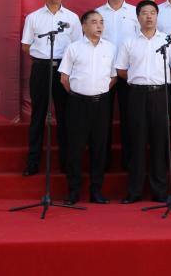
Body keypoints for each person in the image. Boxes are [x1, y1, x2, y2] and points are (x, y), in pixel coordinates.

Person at [21, 0, 80, 177]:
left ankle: (66, 162)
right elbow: (26, 46)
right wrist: (43, 57)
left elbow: (77, 47)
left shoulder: (72, 18)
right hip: (40, 69)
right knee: (38, 116)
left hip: (64, 69)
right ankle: (33, 162)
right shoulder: (33, 18)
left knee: (65, 117)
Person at [58, 11, 116, 205]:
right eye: (94, 22)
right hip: (77, 104)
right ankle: (73, 191)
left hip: (101, 103)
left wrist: (97, 90)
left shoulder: (110, 48)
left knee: (99, 147)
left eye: (101, 22)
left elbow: (113, 77)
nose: (99, 26)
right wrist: (80, 93)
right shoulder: (73, 48)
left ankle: (96, 190)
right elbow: (64, 78)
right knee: (75, 147)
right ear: (83, 26)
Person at [115, 0, 171, 204]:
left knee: (159, 142)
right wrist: (138, 79)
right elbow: (121, 70)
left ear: (157, 16)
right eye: (144, 13)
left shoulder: (166, 41)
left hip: (160, 94)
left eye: (152, 13)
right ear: (138, 17)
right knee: (136, 141)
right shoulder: (129, 42)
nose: (149, 17)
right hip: (137, 94)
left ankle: (160, 191)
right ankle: (134, 191)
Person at [96, 0, 138, 170]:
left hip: (128, 72)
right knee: (102, 120)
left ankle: (129, 162)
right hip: (103, 73)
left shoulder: (135, 13)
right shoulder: (97, 14)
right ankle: (103, 163)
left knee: (129, 119)